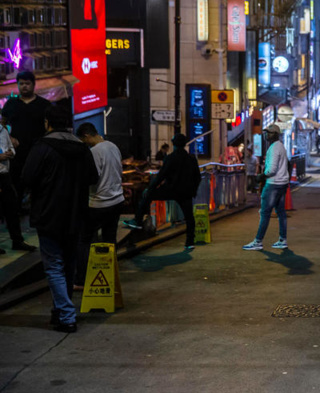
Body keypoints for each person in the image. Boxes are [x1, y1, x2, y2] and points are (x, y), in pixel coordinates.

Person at [22, 105, 99, 333]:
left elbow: (27, 177)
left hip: (48, 214)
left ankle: (66, 315)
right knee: (68, 265)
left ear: (48, 123)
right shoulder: (82, 149)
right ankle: (59, 312)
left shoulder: (42, 147)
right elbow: (92, 177)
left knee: (54, 265)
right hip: (76, 214)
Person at [123, 134, 202, 251]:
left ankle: (138, 220)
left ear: (173, 144)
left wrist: (150, 188)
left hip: (170, 189)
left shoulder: (170, 158)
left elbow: (161, 176)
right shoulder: (191, 159)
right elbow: (197, 177)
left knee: (147, 196)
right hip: (185, 192)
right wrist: (193, 191)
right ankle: (189, 241)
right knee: (189, 217)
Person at [74, 123, 125, 289]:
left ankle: (81, 280)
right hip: (117, 200)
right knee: (110, 239)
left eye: (84, 140)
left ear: (87, 136)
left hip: (98, 202)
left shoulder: (94, 152)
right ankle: (111, 275)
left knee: (84, 240)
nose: (85, 144)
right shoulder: (113, 146)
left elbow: (91, 177)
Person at [0, 71, 51, 223]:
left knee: (38, 185)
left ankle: (38, 215)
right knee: (16, 184)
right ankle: (16, 214)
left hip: (38, 151)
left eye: (27, 83)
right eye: (21, 84)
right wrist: (9, 137)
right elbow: (2, 124)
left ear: (34, 85)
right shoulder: (12, 104)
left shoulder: (44, 105)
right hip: (17, 153)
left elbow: (50, 127)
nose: (24, 87)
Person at [243, 124, 289, 251]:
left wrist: (262, 176)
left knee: (265, 213)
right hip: (282, 183)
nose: (266, 135)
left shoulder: (274, 148)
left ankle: (258, 241)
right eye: (266, 133)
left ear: (275, 134)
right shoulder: (281, 146)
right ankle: (282, 239)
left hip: (273, 184)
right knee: (281, 213)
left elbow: (272, 169)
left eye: (269, 133)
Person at [1, 122, 34, 253]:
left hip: (5, 174)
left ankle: (17, 240)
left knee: (12, 208)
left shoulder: (3, 131)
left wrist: (10, 153)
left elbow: (11, 147)